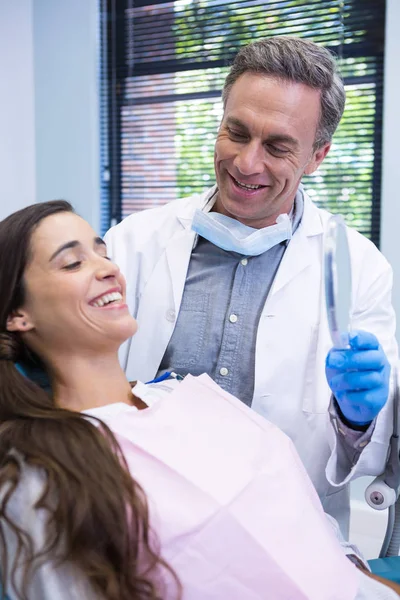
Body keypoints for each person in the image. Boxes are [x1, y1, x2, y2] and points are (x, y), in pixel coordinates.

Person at [0, 201, 398, 600]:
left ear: (316, 156)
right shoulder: (39, 477)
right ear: (17, 315)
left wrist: (355, 416)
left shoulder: (181, 392)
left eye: (102, 252)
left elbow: (307, 520)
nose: (109, 268)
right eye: (72, 263)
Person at [104, 36, 397, 535]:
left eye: (278, 147)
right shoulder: (133, 243)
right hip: (138, 528)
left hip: (286, 537)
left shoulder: (357, 265)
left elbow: (362, 451)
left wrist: (358, 415)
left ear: (316, 156)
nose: (246, 163)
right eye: (235, 133)